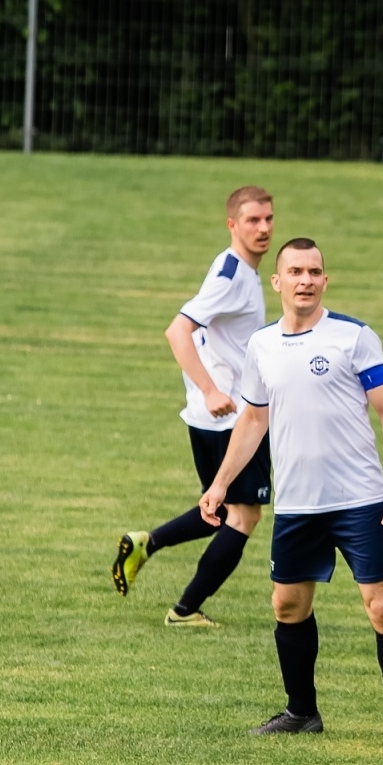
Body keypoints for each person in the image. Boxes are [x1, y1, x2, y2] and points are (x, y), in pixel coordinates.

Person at [198, 238, 383, 750]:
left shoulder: (353, 337)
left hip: (362, 500)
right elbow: (253, 418)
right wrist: (219, 484)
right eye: (295, 271)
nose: (306, 280)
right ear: (277, 282)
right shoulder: (262, 345)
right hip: (298, 503)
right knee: (287, 606)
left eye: (315, 271)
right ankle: (301, 711)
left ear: (325, 280)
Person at [112, 186, 275, 625]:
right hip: (231, 417)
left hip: (214, 416)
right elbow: (177, 331)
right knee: (243, 515)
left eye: (268, 219)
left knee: (217, 510)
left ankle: (147, 542)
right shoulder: (233, 276)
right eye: (252, 221)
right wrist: (210, 390)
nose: (263, 229)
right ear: (232, 225)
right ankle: (185, 610)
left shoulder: (232, 268)